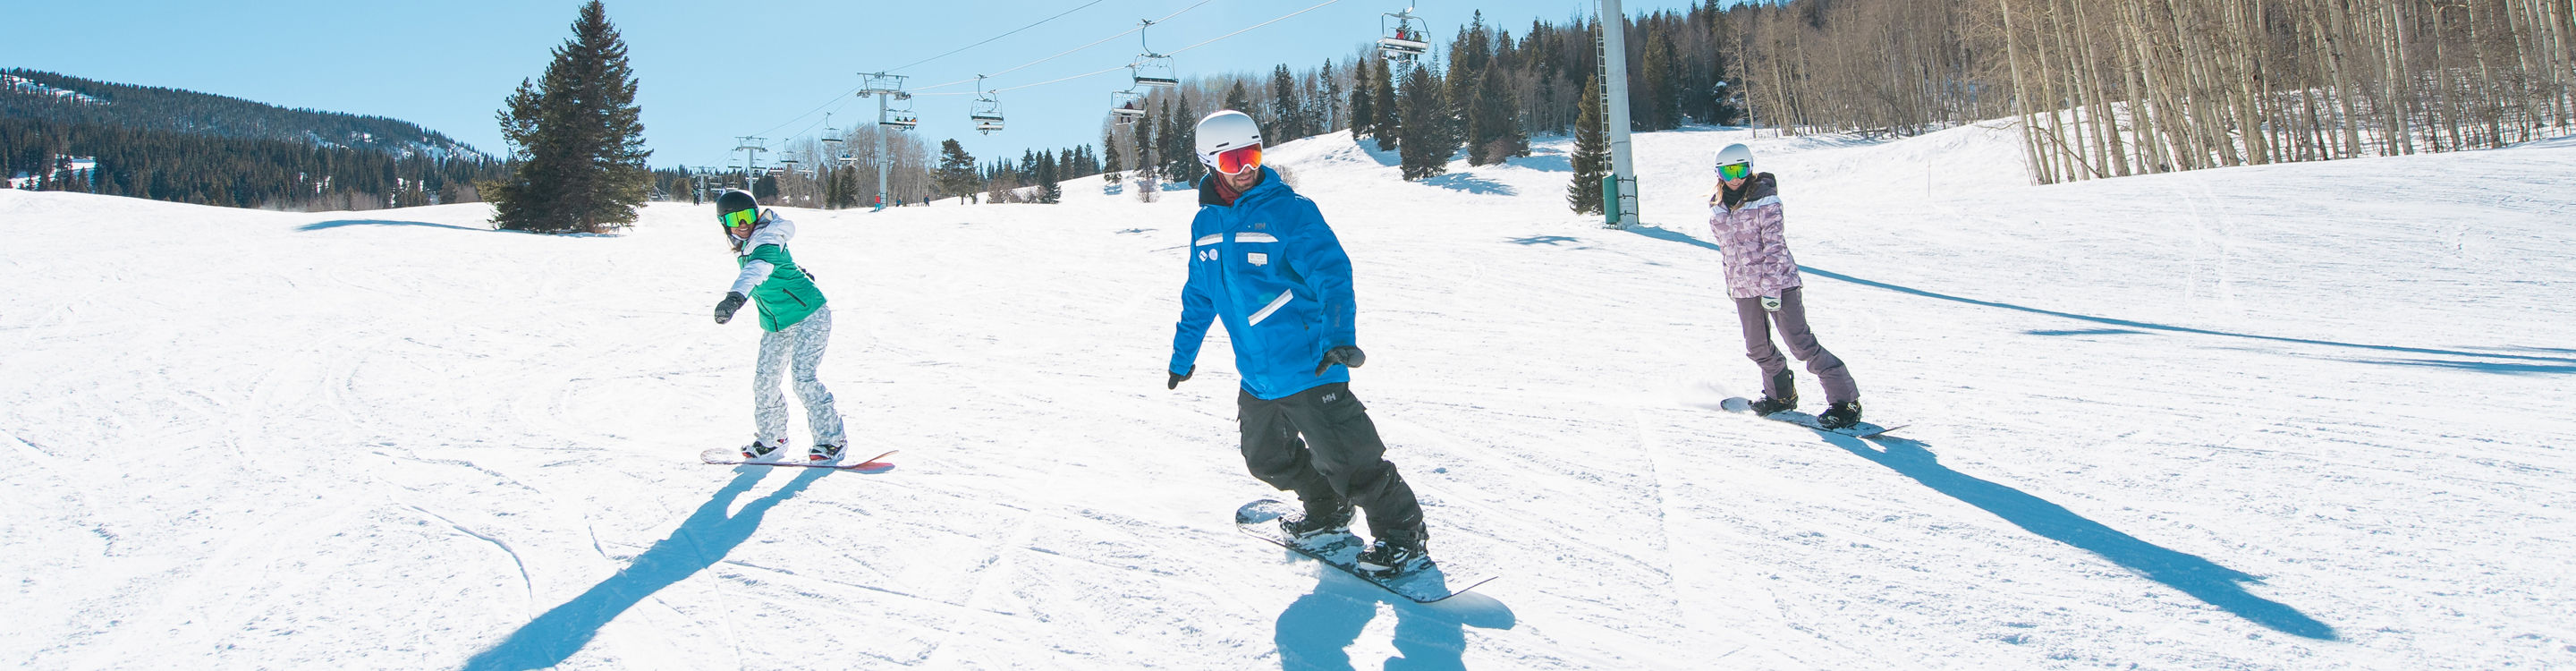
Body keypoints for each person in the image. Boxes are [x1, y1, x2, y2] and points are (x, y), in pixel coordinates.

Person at [1167, 110, 1433, 577]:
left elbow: (1332, 273)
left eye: (1251, 155)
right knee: (1264, 458)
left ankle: (1403, 538)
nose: (1246, 168)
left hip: (1310, 361)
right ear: (1208, 164)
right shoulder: (1203, 225)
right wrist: (1182, 356)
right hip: (1257, 373)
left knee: (1353, 461)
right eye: (1232, 161)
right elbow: (1199, 296)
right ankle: (1326, 511)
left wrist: (1338, 338)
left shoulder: (1291, 211)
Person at [1707, 143, 1865, 429]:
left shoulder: (1765, 200)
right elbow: (1727, 250)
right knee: (1757, 348)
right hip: (1744, 289)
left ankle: (1845, 402)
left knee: (1801, 344)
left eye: (1741, 169)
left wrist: (1771, 289)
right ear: (1718, 173)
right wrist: (1732, 284)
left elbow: (1775, 247)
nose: (1735, 177)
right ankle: (1780, 394)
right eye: (1727, 171)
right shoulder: (1717, 208)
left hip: (1779, 284)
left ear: (1750, 168)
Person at [711, 189, 849, 462]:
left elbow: (757, 270)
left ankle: (832, 441)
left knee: (803, 379)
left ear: (757, 215)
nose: (743, 224)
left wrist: (734, 299)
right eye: (735, 218)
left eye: (748, 216)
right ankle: (772, 439)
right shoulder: (754, 244)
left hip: (809, 315)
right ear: (724, 224)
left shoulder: (766, 242)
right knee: (765, 382)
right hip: (777, 324)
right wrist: (797, 270)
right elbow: (776, 264)